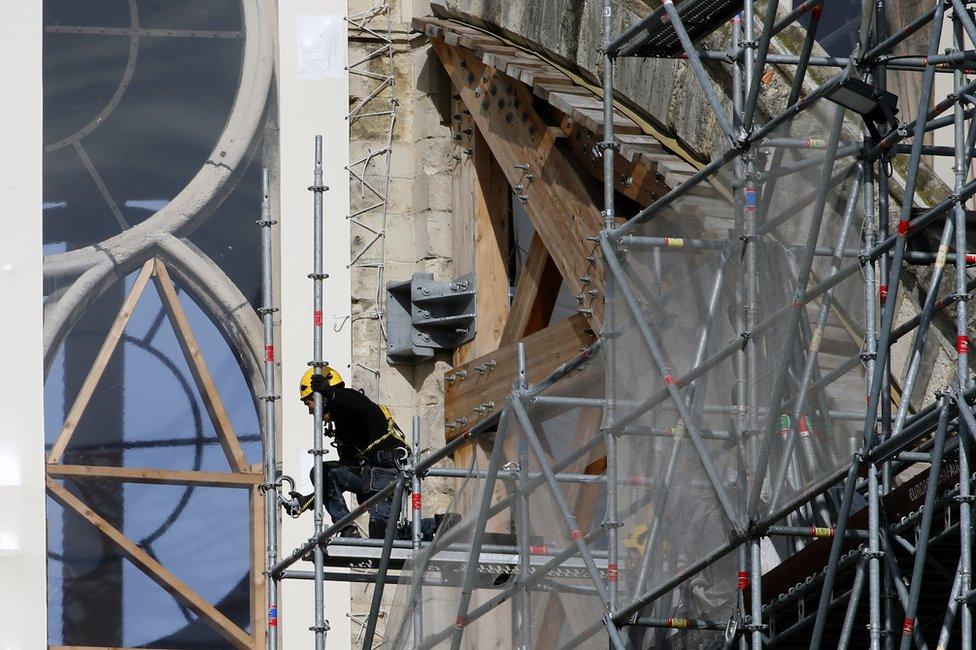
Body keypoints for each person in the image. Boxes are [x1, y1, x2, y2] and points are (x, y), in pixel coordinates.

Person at [284, 366, 450, 539]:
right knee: (323, 472)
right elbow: (344, 469)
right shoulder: (342, 428)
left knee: (382, 538)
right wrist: (309, 501)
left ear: (320, 398)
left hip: (388, 470)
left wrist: (331, 394)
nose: (310, 411)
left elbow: (357, 405)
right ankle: (347, 527)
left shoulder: (354, 403)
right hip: (369, 475)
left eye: (309, 403)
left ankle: (436, 525)